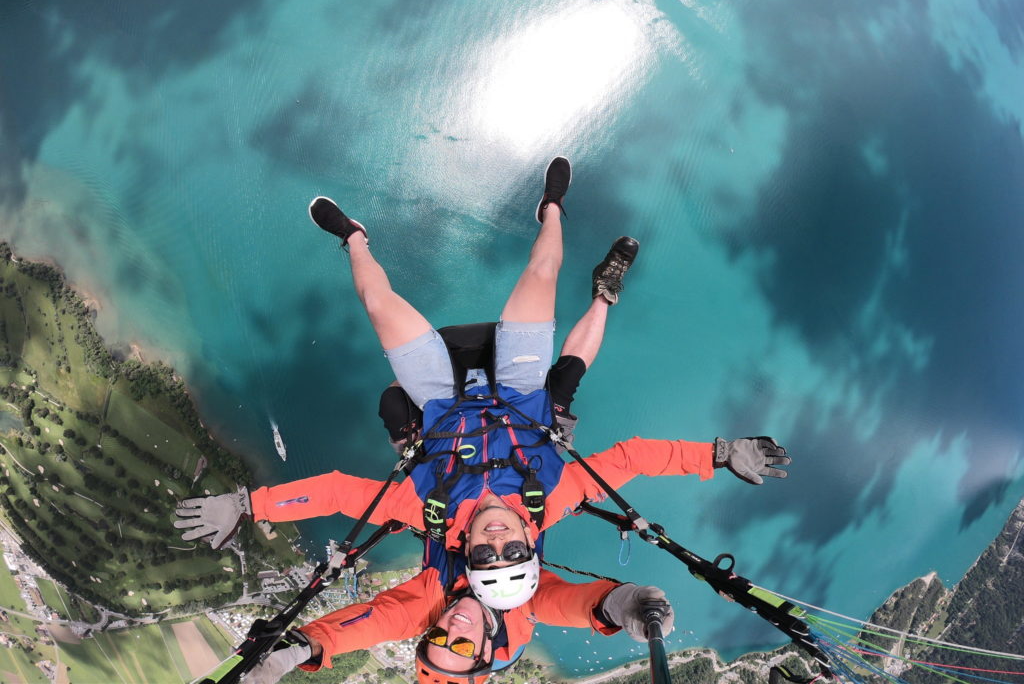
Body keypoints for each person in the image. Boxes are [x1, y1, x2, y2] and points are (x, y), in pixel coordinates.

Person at [177, 158, 791, 612]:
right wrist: (717, 454)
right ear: (532, 541)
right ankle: (554, 210)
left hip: (444, 395)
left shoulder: (428, 512)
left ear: (464, 553)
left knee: (376, 300)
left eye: (484, 557)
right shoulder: (549, 498)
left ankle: (353, 236)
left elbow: (338, 494)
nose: (497, 542)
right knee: (544, 275)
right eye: (514, 553)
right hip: (522, 392)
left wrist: (248, 505)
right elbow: (632, 459)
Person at [239, 565, 673, 684]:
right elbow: (560, 602)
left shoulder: (434, 601)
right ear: (485, 653)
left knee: (396, 408)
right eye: (462, 648)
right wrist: (615, 605)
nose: (453, 628)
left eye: (438, 638)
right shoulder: (516, 617)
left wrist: (303, 645)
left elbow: (375, 624)